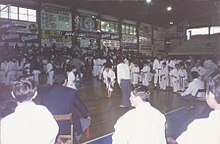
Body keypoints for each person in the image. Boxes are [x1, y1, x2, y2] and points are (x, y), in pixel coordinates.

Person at [1, 75, 58, 144]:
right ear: (35, 94)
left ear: (13, 95)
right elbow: (54, 131)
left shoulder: (6, 122)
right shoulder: (44, 112)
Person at [41, 73, 91, 141]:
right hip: (68, 127)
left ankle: (58, 140)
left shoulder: (45, 92)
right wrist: (86, 116)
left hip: (51, 126)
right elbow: (80, 106)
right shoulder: (71, 92)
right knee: (87, 122)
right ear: (65, 81)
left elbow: (42, 109)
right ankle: (71, 140)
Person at [176, 74, 220, 144]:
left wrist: (180, 94)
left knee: (183, 97)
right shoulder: (201, 82)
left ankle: (188, 107)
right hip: (199, 95)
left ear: (211, 96)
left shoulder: (198, 127)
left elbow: (187, 92)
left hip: (195, 96)